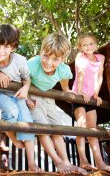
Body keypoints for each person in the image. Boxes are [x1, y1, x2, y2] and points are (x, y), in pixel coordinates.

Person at [26, 32, 87, 175]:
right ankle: (57, 161)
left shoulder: (63, 70)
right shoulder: (31, 64)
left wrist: (66, 91)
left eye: (56, 59)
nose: (49, 62)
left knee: (57, 128)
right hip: (33, 95)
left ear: (63, 59)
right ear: (41, 51)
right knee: (43, 127)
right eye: (46, 56)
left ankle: (66, 161)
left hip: (48, 97)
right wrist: (26, 98)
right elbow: (23, 82)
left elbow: (64, 80)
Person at [0, 24, 40, 172]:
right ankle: (11, 136)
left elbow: (26, 79)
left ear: (13, 47)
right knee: (11, 111)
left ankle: (32, 164)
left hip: (18, 94)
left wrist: (25, 90)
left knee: (27, 123)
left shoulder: (20, 61)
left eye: (6, 47)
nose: (1, 51)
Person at [72, 34, 110, 175]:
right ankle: (83, 160)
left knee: (92, 129)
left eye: (91, 43)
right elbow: (80, 73)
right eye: (85, 44)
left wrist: (95, 94)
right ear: (80, 47)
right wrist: (81, 93)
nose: (88, 47)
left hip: (91, 97)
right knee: (81, 127)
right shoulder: (80, 57)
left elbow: (99, 76)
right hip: (78, 95)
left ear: (96, 44)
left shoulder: (101, 58)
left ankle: (100, 162)